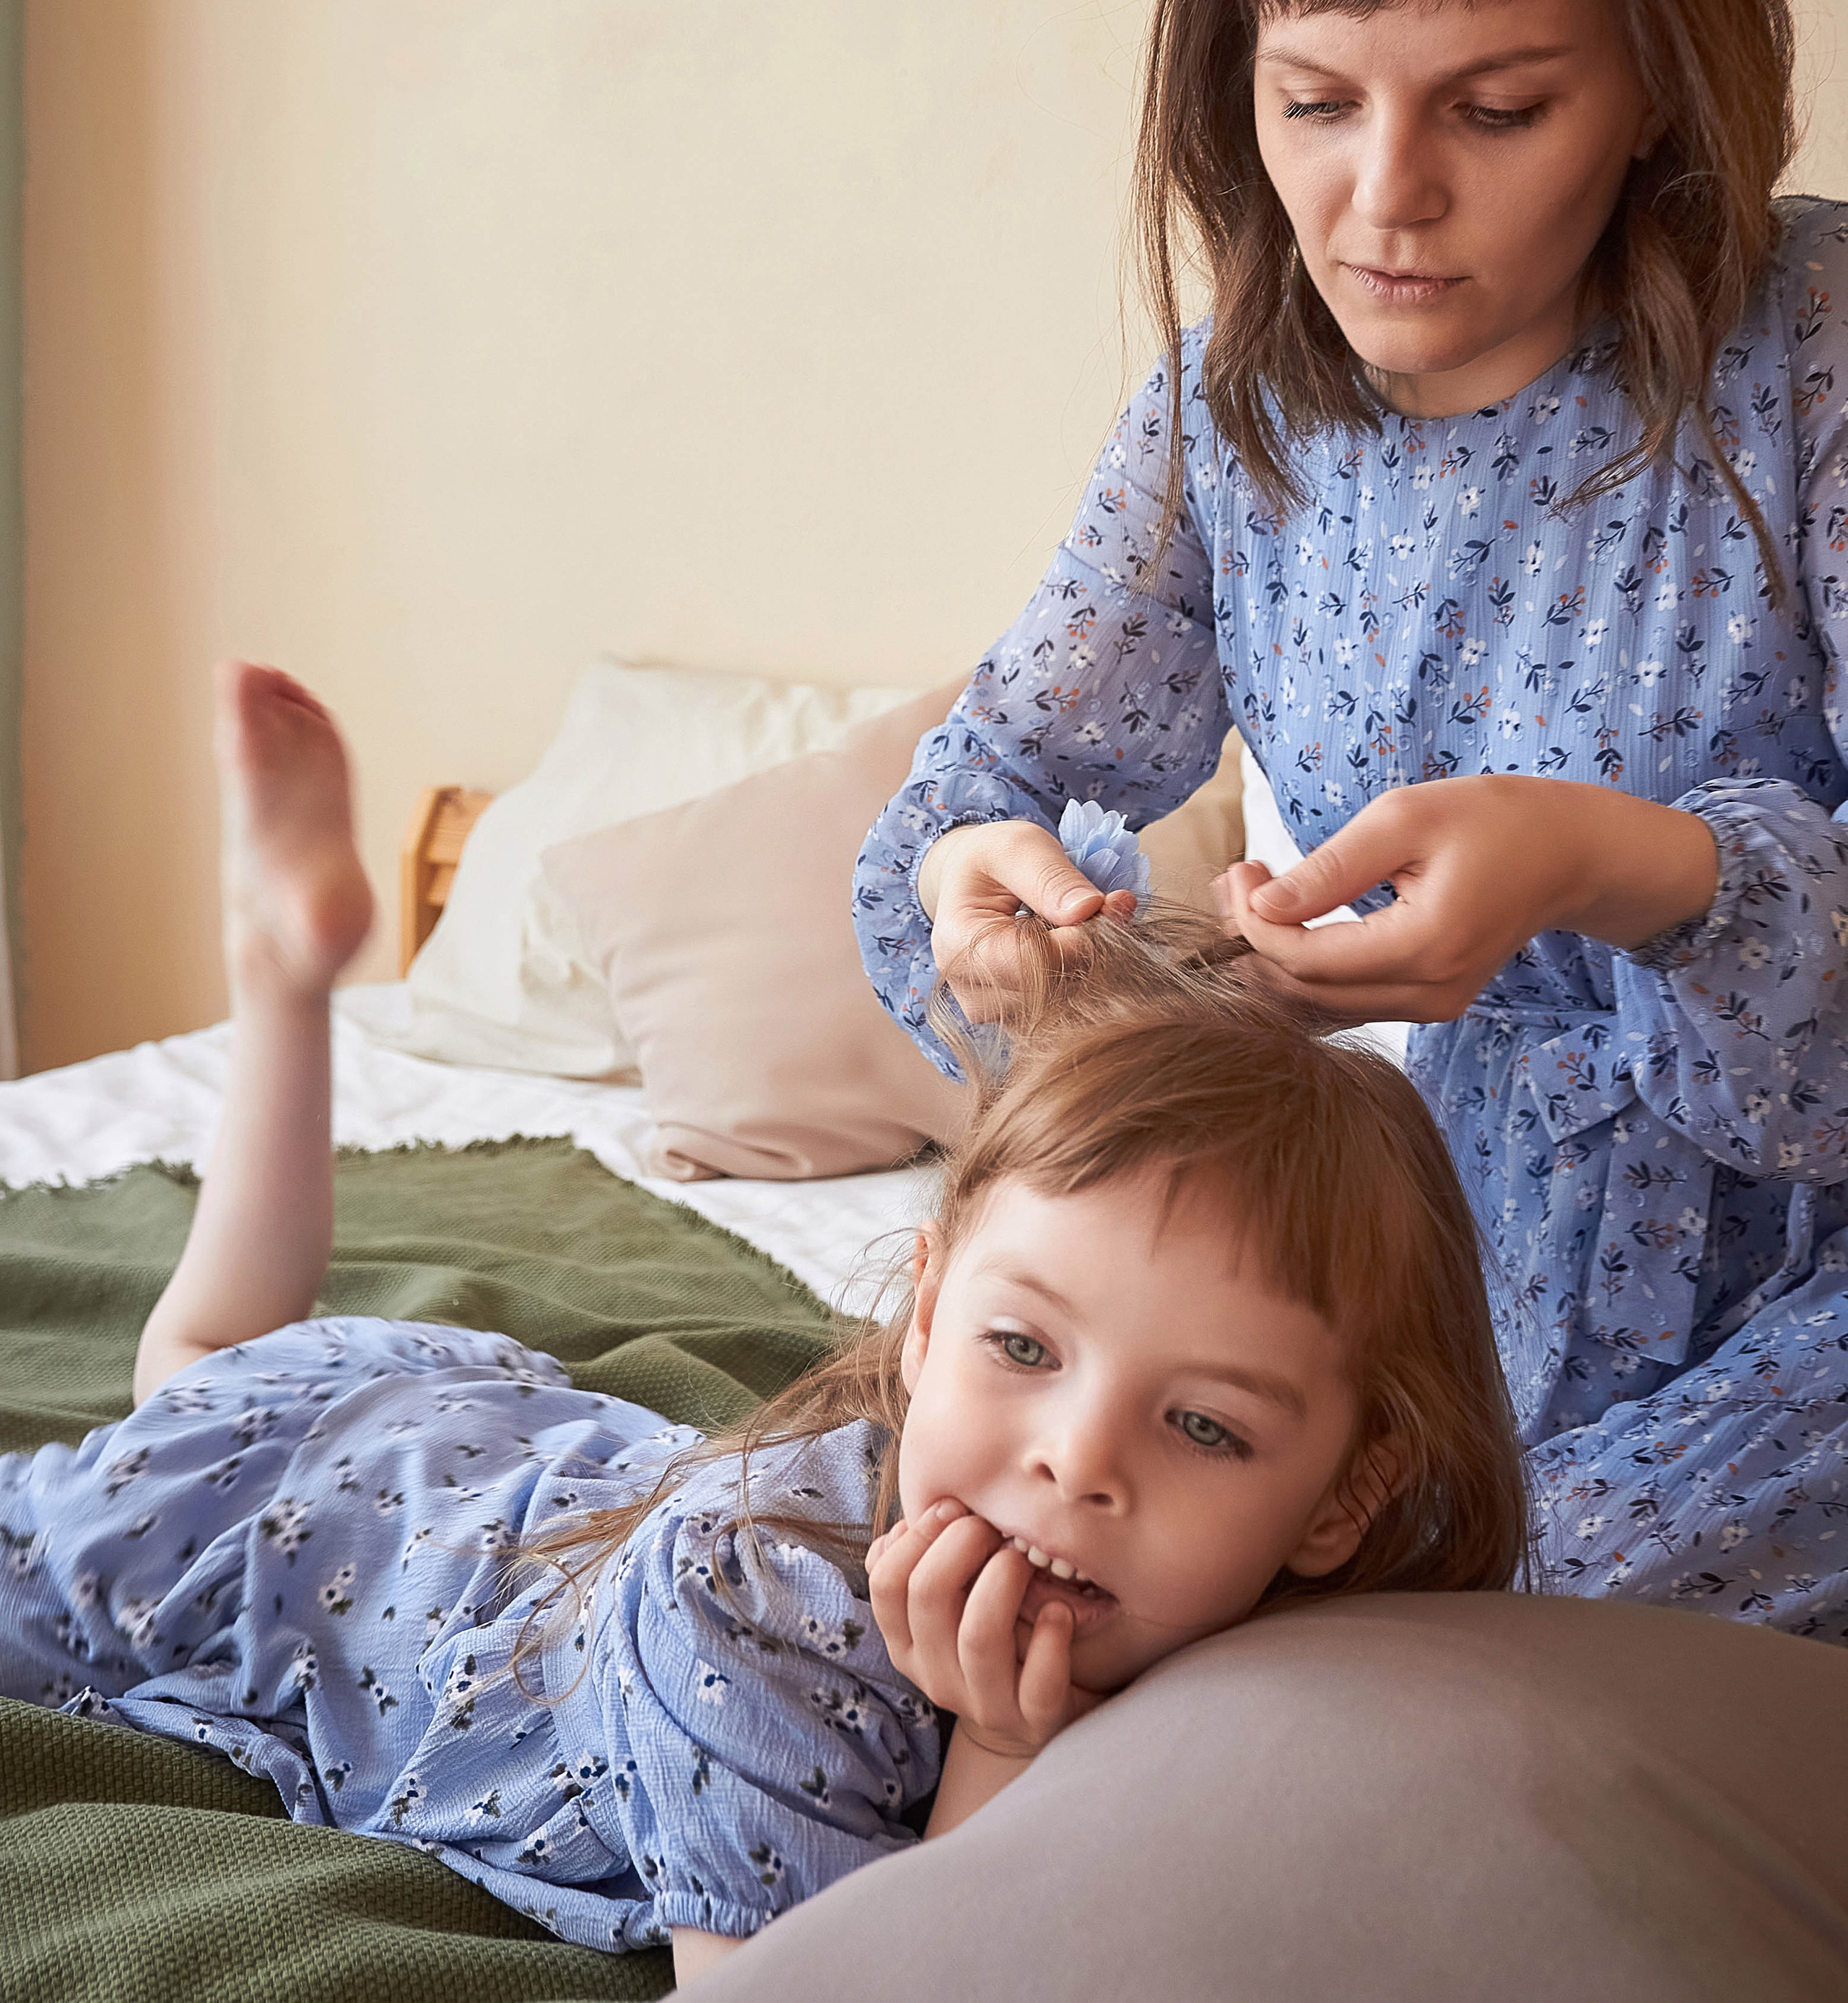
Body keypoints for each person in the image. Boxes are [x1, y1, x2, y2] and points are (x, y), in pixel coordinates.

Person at [0, 665, 1525, 1977]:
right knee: (195, 1410)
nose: (1076, 1461)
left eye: (1202, 1425)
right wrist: (997, 1756)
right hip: (361, 1526)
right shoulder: (758, 1619)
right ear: (924, 1317)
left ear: (1346, 1496)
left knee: (202, 1366)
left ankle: (283, 981)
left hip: (497, 1467)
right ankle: (282, 977)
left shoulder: (1305, 1661)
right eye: (1020, 1349)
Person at [854, 0, 1848, 1643]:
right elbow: (988, 792)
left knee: (1441, 1644)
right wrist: (988, 901)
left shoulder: (1813, 356)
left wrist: (1615, 865)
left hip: (1811, 1316)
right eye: (1312, 101)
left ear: (1657, 84)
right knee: (939, 1560)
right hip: (1443, 1289)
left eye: (1498, 108)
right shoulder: (1229, 410)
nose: (1383, 197)